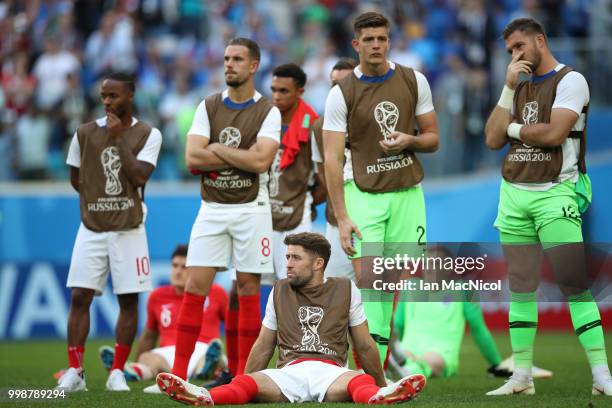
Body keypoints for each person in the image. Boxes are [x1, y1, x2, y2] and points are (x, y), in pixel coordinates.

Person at [484, 17, 612, 395]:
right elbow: (492, 138)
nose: (516, 55)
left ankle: (601, 375)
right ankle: (521, 377)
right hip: (513, 192)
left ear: (540, 40)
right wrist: (508, 88)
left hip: (555, 191)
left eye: (520, 46)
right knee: (521, 286)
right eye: (510, 51)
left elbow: (555, 134)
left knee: (574, 284)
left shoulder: (570, 80)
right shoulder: (518, 86)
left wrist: (512, 130)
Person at [156, 232, 427, 406]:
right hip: (289, 371)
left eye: (295, 258)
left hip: (331, 370)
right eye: (287, 256)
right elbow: (264, 345)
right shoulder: (280, 289)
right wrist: (247, 381)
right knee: (243, 383)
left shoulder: (346, 288)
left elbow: (365, 345)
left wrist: (380, 383)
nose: (287, 263)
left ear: (318, 263)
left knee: (361, 383)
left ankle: (379, 397)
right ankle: (204, 397)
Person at [322, 11, 439, 364]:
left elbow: (433, 139)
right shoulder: (341, 94)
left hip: (406, 193)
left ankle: (376, 373)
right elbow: (331, 160)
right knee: (370, 282)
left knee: (388, 287)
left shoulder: (413, 80)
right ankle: (365, 374)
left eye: (382, 38)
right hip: (364, 195)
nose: (376, 45)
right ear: (356, 44)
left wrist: (409, 140)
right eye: (369, 39)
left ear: (389, 41)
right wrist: (341, 217)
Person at [168, 37, 281, 383]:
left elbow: (261, 161)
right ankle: (178, 375)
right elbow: (192, 158)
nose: (229, 64)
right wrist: (237, 155)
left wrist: (215, 149)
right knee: (195, 286)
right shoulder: (208, 105)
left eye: (237, 59)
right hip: (212, 207)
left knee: (247, 288)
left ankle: (245, 376)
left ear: (253, 66)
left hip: (252, 208)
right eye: (227, 58)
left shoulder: (268, 111)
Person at [57, 72, 162, 392]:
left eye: (113, 96)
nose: (107, 102)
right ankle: (76, 371)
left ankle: (117, 370)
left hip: (129, 229)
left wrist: (117, 139)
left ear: (130, 96)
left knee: (127, 300)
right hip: (91, 227)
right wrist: (99, 200)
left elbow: (140, 176)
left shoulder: (148, 133)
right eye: (103, 96)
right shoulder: (84, 133)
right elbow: (77, 179)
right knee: (79, 296)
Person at [97, 244, 228, 393]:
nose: (178, 272)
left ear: (195, 270)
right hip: (167, 353)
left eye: (184, 267)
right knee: (148, 358)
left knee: (215, 357)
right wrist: (139, 359)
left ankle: (208, 368)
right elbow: (149, 335)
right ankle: (133, 371)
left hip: (204, 347)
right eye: (174, 266)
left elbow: (232, 327)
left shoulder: (216, 292)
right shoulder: (157, 296)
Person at [311, 57, 358, 280]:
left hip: (375, 214)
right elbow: (322, 173)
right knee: (338, 288)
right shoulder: (320, 126)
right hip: (337, 219)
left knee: (376, 292)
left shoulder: (372, 119)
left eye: (345, 83)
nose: (338, 90)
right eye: (333, 84)